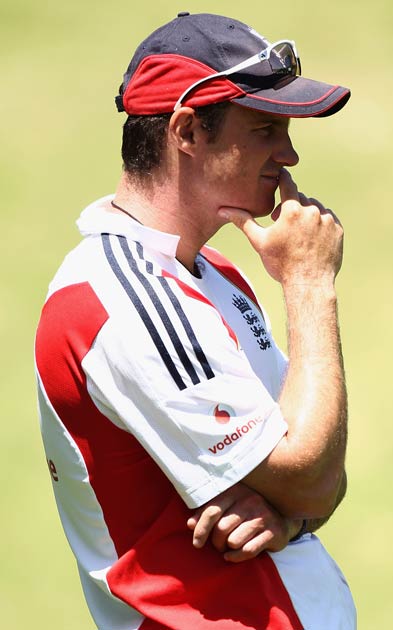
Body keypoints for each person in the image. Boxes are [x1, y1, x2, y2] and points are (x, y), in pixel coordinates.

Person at [35, 11, 355, 630]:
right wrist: (310, 284)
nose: (290, 153)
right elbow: (311, 475)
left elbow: (324, 464)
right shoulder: (117, 299)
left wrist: (287, 517)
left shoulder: (215, 276)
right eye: (265, 127)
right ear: (186, 130)